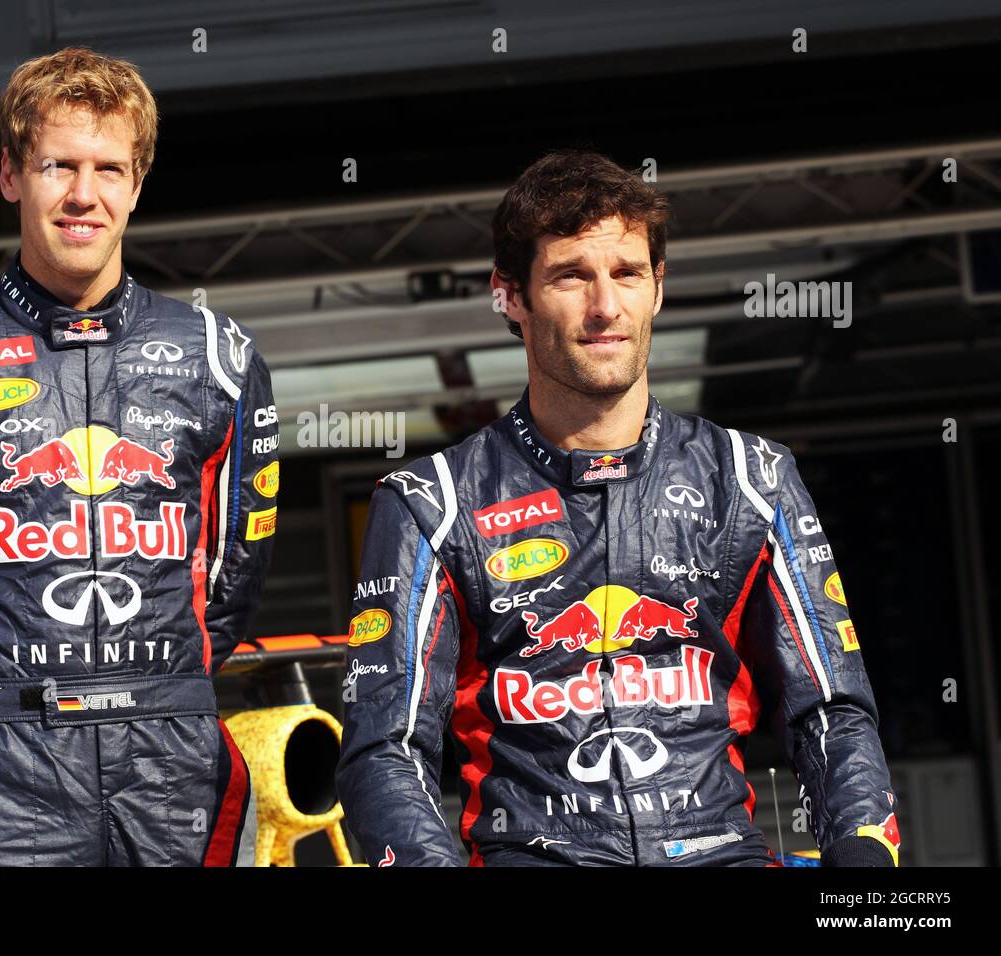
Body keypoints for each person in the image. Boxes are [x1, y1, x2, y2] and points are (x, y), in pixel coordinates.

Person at [335, 150, 900, 867]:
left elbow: (831, 708)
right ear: (511, 295)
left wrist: (861, 852)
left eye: (627, 274)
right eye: (572, 276)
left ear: (658, 289)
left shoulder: (752, 477)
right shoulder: (430, 504)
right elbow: (385, 747)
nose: (605, 307)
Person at [0, 47, 277, 866]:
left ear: (138, 183)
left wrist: (163, 687)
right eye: (58, 166)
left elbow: (235, 574)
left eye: (110, 168)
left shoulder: (220, 357)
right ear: (11, 175)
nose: (84, 195)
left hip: (175, 755)